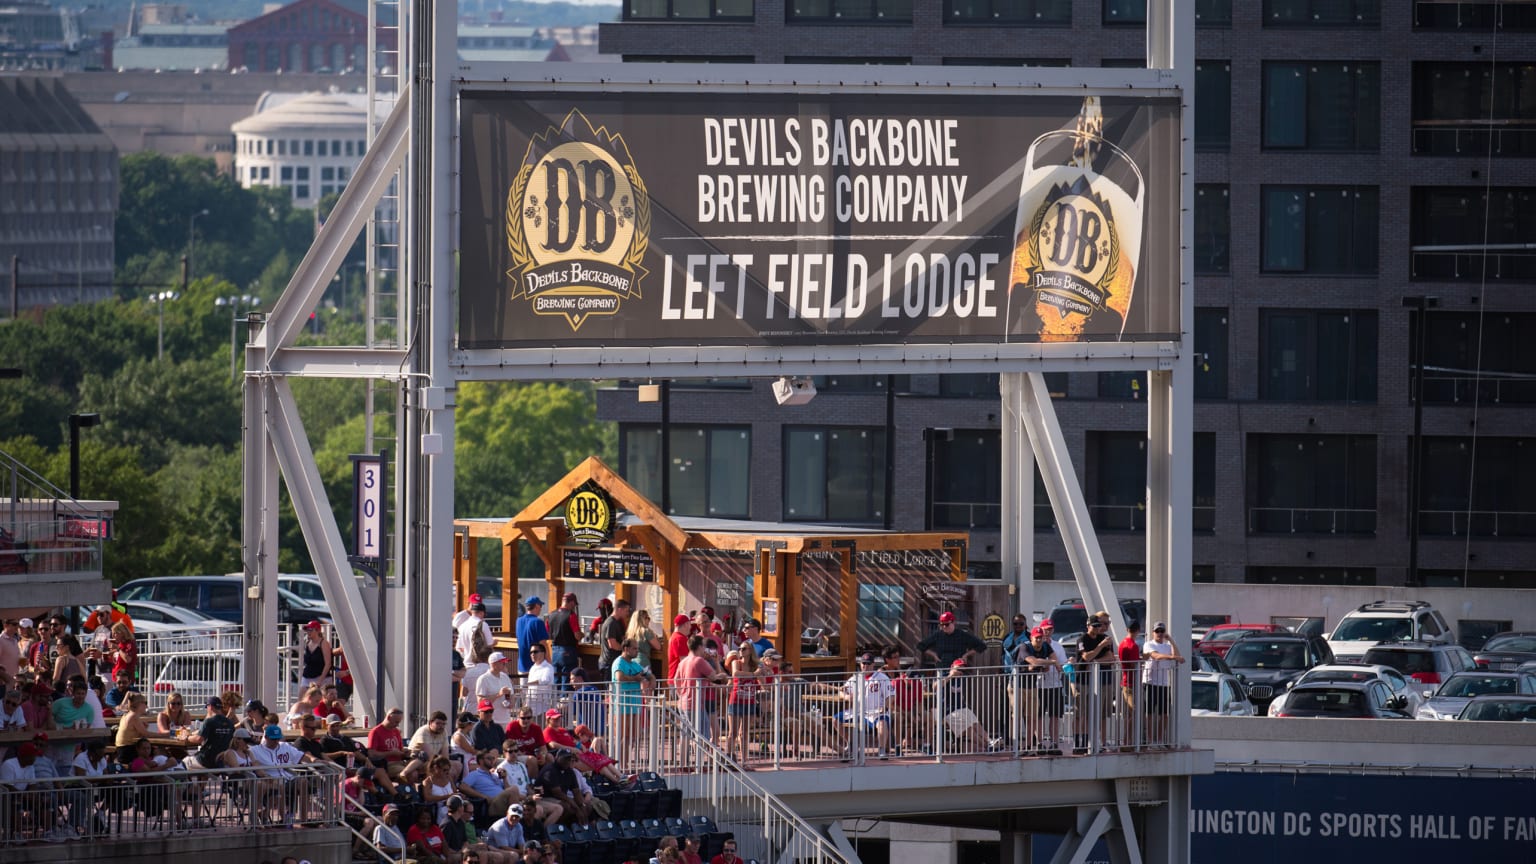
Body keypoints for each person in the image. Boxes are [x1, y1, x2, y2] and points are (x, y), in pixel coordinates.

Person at [837, 651, 895, 760]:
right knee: (836, 719)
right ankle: (851, 743)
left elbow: (891, 695)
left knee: (882, 723)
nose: (865, 666)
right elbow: (841, 691)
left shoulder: (882, 677)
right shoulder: (856, 677)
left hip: (876, 711)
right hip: (858, 711)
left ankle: (882, 750)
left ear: (873, 664)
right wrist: (846, 696)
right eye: (863, 663)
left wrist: (886, 707)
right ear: (860, 664)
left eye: (868, 663)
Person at [1019, 626, 1066, 755]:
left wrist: (1050, 663)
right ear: (1032, 637)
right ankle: (1037, 743)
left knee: (1055, 715)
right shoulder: (1025, 647)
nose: (1041, 638)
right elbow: (1034, 663)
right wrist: (1050, 662)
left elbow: (1059, 662)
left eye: (1050, 629)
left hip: (1055, 685)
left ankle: (1054, 743)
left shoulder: (1050, 646)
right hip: (1035, 686)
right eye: (1038, 636)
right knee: (1036, 716)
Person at [1074, 615, 1117, 752]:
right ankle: (1077, 743)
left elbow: (1110, 658)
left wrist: (1095, 661)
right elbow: (1085, 656)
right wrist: (1099, 647)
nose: (1098, 628)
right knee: (1080, 713)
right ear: (1088, 626)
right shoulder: (1082, 639)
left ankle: (1088, 742)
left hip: (1096, 683)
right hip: (1082, 681)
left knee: (1091, 714)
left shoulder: (1102, 638)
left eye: (1099, 626)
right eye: (1095, 626)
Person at [1142, 621, 1184, 747]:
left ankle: (1160, 740)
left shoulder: (1167, 646)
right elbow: (1156, 656)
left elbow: (1177, 654)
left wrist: (1170, 640)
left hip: (1164, 683)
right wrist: (1172, 658)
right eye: (1157, 631)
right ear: (1153, 632)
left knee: (1164, 714)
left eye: (1162, 631)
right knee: (1149, 713)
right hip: (1150, 682)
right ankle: (1150, 740)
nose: (1159, 634)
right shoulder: (1148, 644)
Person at [675, 635, 726, 739]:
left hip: (683, 703)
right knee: (703, 737)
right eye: (703, 646)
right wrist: (722, 675)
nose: (704, 649)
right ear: (699, 647)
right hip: (696, 705)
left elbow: (676, 680)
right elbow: (714, 677)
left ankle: (684, 756)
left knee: (685, 735)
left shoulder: (683, 661)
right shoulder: (699, 660)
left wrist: (681, 694)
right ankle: (701, 755)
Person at [612, 637, 653, 754]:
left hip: (635, 704)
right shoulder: (619, 662)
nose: (637, 651)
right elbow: (619, 677)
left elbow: (649, 675)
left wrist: (652, 682)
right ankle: (619, 763)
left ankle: (625, 763)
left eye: (637, 648)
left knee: (633, 737)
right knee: (623, 736)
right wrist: (635, 678)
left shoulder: (635, 664)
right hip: (623, 704)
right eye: (634, 648)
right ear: (626, 649)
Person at [725, 642, 763, 766]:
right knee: (733, 732)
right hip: (736, 700)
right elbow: (735, 673)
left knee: (744, 732)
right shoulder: (736, 662)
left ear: (750, 650)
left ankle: (745, 760)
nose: (741, 650)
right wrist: (754, 674)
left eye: (744, 648)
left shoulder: (754, 665)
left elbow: (762, 680)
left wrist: (762, 669)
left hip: (749, 700)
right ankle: (729, 758)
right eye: (740, 648)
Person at [459, 749, 522, 821]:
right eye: (489, 758)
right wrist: (484, 796)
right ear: (481, 761)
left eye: (493, 758)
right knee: (514, 789)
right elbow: (462, 787)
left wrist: (504, 778)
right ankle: (517, 821)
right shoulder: (475, 774)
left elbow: (507, 790)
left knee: (530, 801)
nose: (492, 761)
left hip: (503, 802)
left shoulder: (495, 775)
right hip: (491, 804)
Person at [916, 611, 987, 670]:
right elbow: (921, 646)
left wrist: (966, 655)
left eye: (946, 624)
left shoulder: (962, 635)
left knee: (956, 687)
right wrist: (933, 655)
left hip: (957, 669)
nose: (944, 627)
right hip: (942, 667)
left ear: (953, 623)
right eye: (942, 624)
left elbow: (981, 645)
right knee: (941, 686)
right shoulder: (937, 635)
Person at [535, 749, 587, 825]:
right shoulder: (550, 770)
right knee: (566, 806)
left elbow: (576, 791)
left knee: (587, 807)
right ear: (557, 758)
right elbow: (558, 793)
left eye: (569, 759)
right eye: (565, 758)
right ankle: (554, 828)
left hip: (559, 798)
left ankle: (575, 829)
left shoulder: (569, 771)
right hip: (544, 797)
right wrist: (576, 807)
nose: (567, 761)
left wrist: (582, 805)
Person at [546, 592, 582, 688]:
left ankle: (555, 701)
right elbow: (577, 636)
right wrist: (582, 634)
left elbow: (547, 632)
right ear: (572, 603)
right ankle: (564, 701)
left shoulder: (551, 615)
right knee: (567, 680)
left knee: (556, 678)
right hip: (568, 650)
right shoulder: (571, 615)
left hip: (554, 650)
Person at [1118, 619, 1145, 747]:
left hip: (1125, 681)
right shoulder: (1133, 645)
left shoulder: (1122, 643)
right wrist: (1142, 661)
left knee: (1130, 712)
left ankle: (1128, 740)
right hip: (1131, 683)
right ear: (1138, 631)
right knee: (1133, 712)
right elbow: (1134, 664)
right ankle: (1128, 740)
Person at [475, 652, 518, 728]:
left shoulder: (505, 677)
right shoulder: (483, 679)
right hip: (491, 721)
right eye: (502, 662)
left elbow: (511, 695)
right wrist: (498, 694)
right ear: (494, 664)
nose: (505, 664)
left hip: (505, 720)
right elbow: (481, 702)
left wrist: (511, 703)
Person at [566, 666, 607, 734]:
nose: (570, 682)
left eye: (572, 679)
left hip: (585, 732)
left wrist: (558, 707)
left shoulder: (579, 693)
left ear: (580, 678)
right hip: (600, 728)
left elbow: (570, 710)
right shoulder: (595, 689)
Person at [114, 691, 152, 764]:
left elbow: (141, 735)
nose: (146, 706)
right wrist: (166, 734)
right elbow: (147, 734)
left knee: (151, 750)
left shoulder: (127, 715)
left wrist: (144, 728)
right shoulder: (133, 716)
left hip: (122, 749)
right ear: (139, 704)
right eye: (145, 703)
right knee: (153, 753)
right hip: (126, 751)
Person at [598, 599, 631, 680]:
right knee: (609, 690)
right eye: (626, 611)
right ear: (619, 609)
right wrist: (625, 650)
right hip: (609, 663)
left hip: (613, 661)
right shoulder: (611, 623)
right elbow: (612, 644)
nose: (627, 613)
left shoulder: (617, 622)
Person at [515, 597, 550, 675]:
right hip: (537, 666)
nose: (541, 609)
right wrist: (549, 662)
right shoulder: (538, 622)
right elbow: (543, 643)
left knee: (522, 687)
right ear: (537, 606)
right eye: (540, 606)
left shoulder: (518, 621)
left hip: (522, 665)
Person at [523, 645, 556, 718]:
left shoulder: (548, 667)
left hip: (542, 706)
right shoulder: (532, 668)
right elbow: (529, 688)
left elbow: (545, 680)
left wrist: (528, 684)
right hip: (530, 705)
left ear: (543, 653)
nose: (532, 654)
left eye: (535, 652)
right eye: (531, 652)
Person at [298, 620, 333, 689]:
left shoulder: (323, 643)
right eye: (307, 630)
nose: (308, 632)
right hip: (307, 677)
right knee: (302, 698)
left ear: (317, 631)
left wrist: (320, 680)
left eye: (310, 630)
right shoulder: (307, 642)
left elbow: (328, 663)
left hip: (321, 678)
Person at [666, 614, 693, 681]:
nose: (690, 627)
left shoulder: (675, 637)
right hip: (679, 679)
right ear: (685, 624)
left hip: (676, 677)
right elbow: (684, 660)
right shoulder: (680, 638)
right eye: (690, 624)